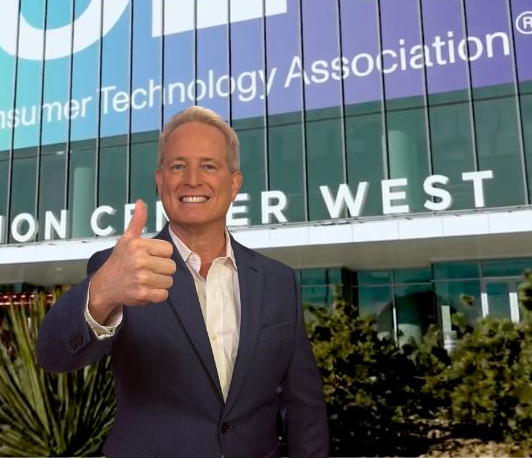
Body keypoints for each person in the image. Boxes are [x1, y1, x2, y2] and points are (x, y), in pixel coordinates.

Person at [37, 106, 330, 458]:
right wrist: (101, 291)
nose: (192, 179)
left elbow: (304, 407)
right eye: (178, 166)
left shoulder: (278, 280)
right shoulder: (123, 270)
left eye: (209, 165)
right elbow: (53, 355)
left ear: (234, 183)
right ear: (161, 180)